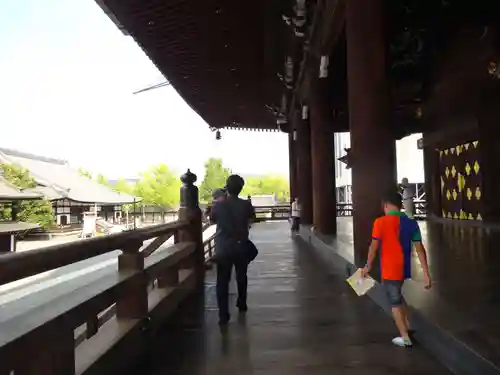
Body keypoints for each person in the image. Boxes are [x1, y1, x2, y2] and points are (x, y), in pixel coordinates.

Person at [360, 191, 431, 347]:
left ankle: (405, 338)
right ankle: (408, 326)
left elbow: (374, 247)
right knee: (398, 295)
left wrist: (367, 266)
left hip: (390, 269)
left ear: (385, 205)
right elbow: (420, 249)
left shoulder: (380, 222)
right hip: (404, 269)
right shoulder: (411, 222)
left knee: (394, 302)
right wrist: (426, 273)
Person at [210, 175, 256, 325]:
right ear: (240, 188)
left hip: (224, 248)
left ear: (227, 187)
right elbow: (251, 221)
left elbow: (211, 220)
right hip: (241, 245)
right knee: (241, 276)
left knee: (222, 281)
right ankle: (241, 303)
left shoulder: (218, 205)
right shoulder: (246, 205)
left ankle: (223, 315)